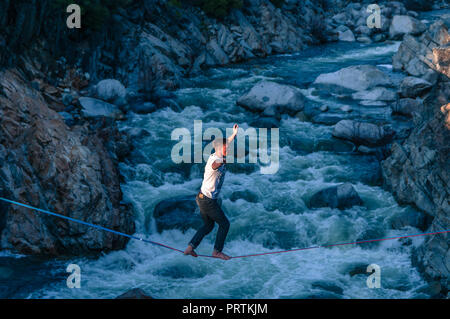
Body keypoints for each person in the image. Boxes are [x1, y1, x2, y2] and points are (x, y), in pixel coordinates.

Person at [184, 124, 239, 260]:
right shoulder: (215, 160)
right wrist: (222, 162)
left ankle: (190, 247)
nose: (229, 149)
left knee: (208, 225)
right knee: (225, 224)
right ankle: (217, 251)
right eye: (227, 148)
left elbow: (225, 145)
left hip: (202, 197)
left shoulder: (218, 152)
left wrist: (233, 134)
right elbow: (215, 165)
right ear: (220, 148)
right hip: (208, 201)